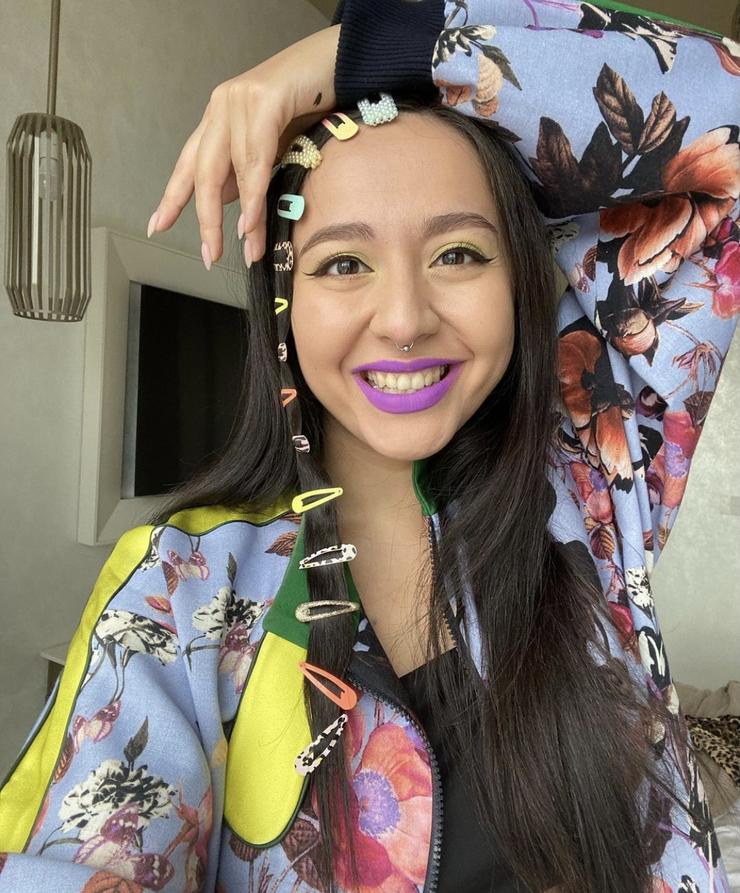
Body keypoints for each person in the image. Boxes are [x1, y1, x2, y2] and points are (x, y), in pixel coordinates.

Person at [0, 1, 738, 892]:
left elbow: (724, 125)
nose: (404, 319)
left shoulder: (590, 474)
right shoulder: (183, 588)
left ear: (518, 278)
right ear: (283, 303)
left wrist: (355, 56)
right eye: (344, 263)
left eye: (458, 254)